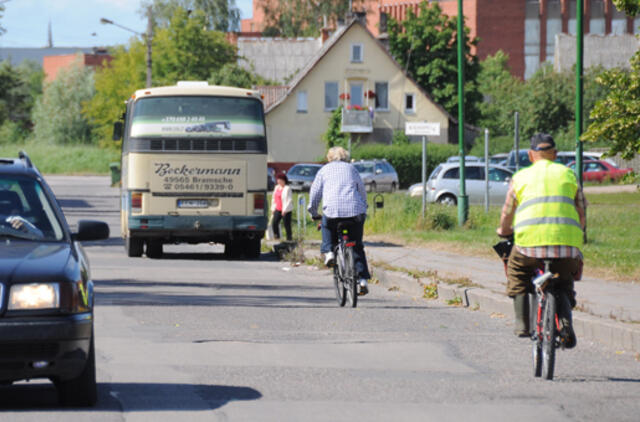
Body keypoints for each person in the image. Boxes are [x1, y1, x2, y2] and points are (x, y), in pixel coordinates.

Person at [497, 133, 585, 347]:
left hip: (528, 247)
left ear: (530, 155)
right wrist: (576, 233)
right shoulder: (569, 175)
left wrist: (503, 230)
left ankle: (522, 325)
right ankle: (565, 325)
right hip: (567, 248)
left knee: (517, 272)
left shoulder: (520, 177)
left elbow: (507, 213)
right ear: (554, 154)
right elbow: (582, 212)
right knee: (564, 281)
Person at [308, 146, 371, 295]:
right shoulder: (352, 169)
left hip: (332, 212)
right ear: (345, 157)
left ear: (329, 158)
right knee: (356, 246)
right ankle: (362, 281)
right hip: (355, 213)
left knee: (326, 224)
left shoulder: (323, 171)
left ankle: (329, 252)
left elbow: (315, 193)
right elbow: (361, 190)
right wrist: (364, 206)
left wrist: (313, 211)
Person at [270, 173, 293, 241]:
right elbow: (274, 198)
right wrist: (273, 208)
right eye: (278, 179)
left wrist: (285, 210)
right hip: (278, 208)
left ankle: (289, 238)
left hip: (286, 209)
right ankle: (277, 237)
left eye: (279, 179)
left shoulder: (287, 188)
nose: (278, 181)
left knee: (287, 225)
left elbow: (289, 200)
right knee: (274, 223)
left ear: (283, 180)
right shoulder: (277, 187)